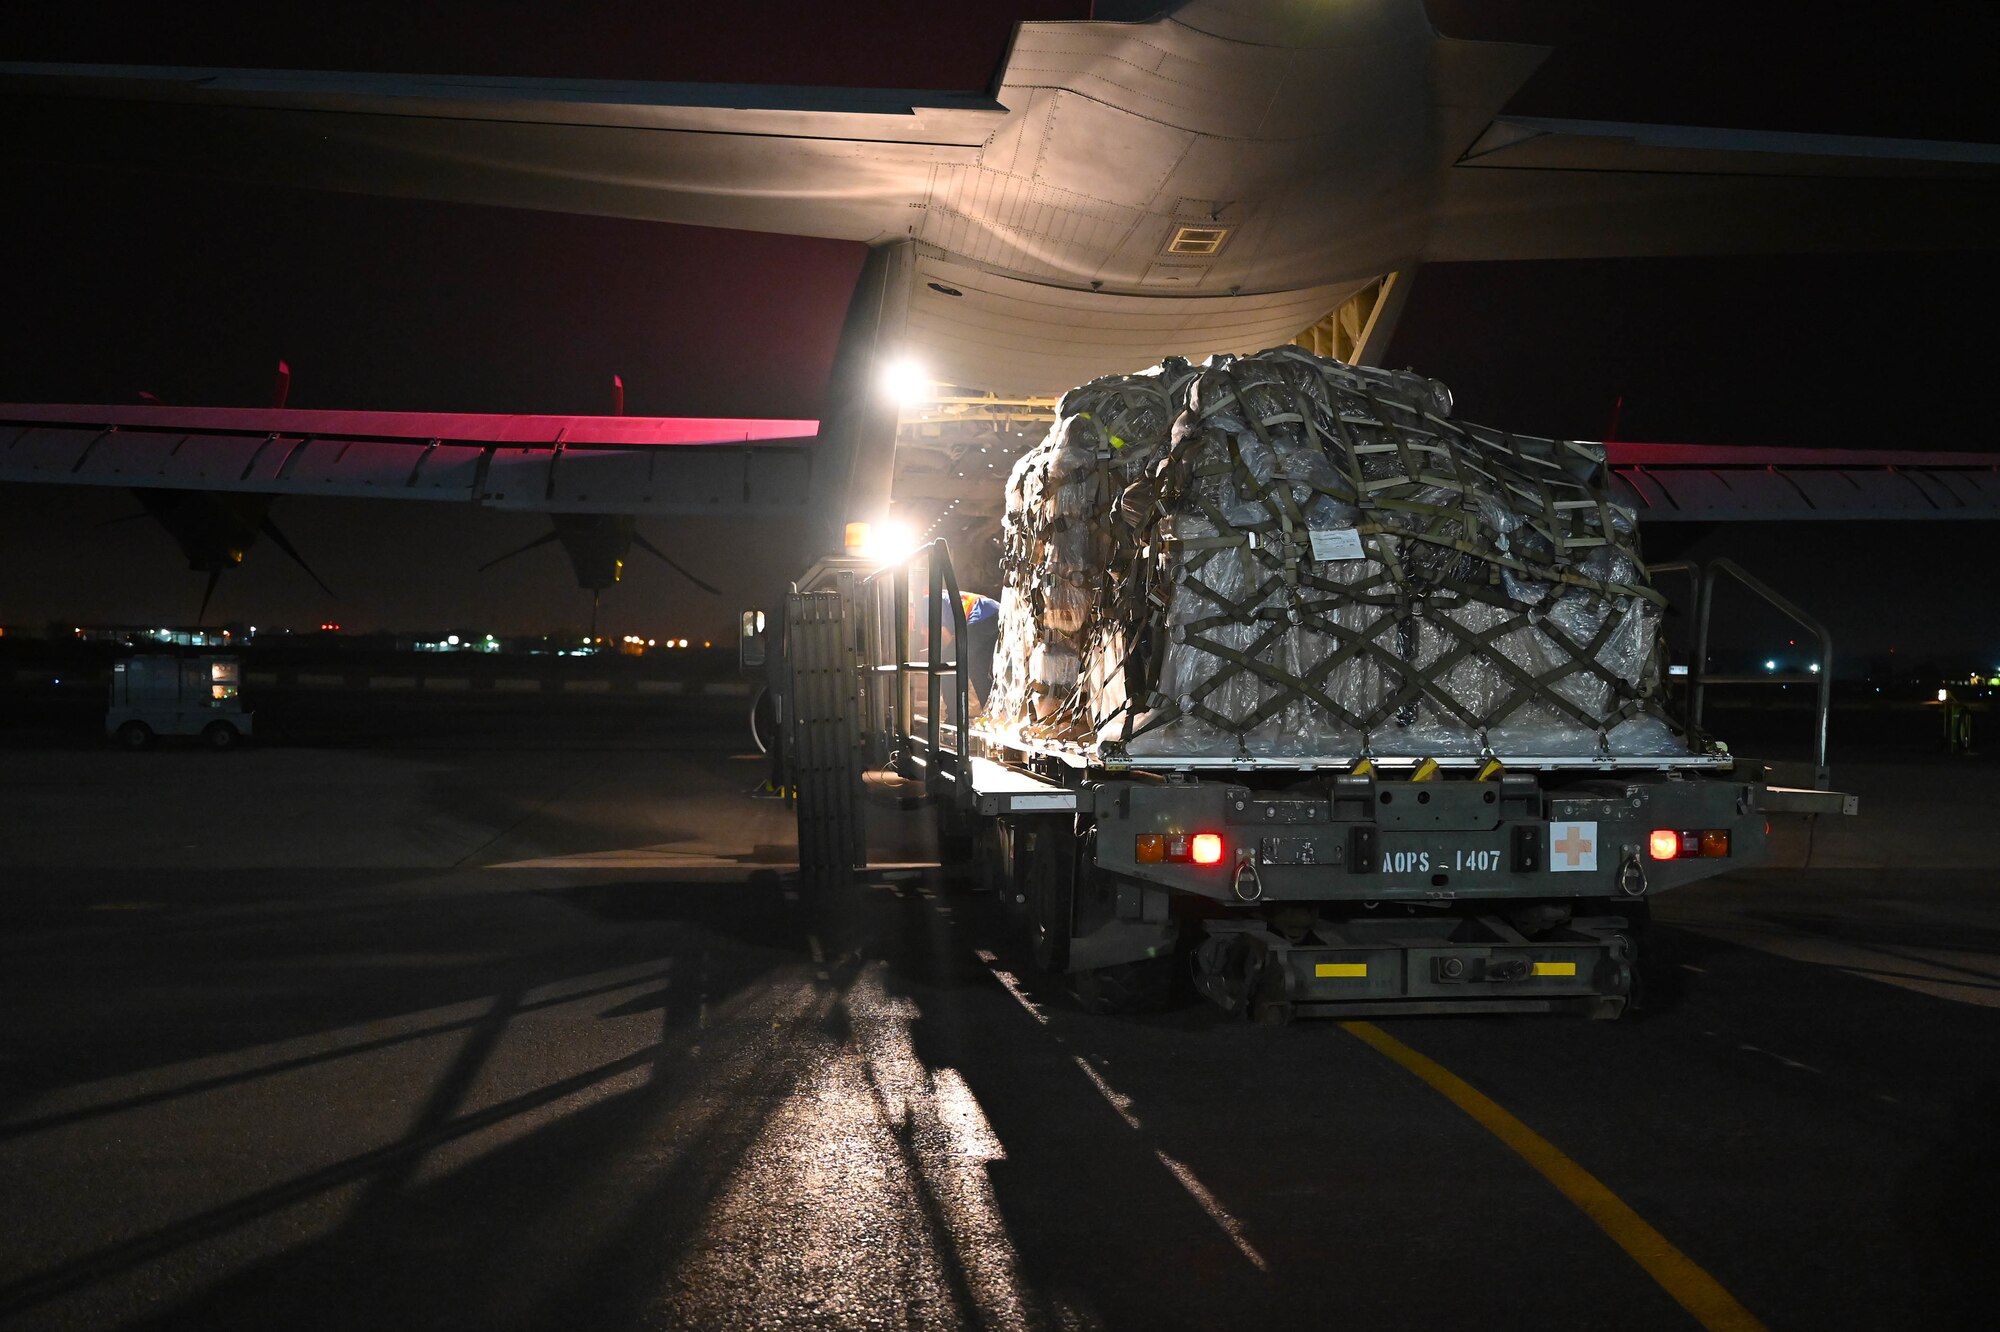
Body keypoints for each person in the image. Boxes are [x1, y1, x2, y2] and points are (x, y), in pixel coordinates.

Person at [959, 590, 1001, 712]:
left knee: (967, 665)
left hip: (981, 617)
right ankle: (992, 710)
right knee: (982, 669)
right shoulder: (937, 596)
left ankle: (954, 716)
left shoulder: (925, 603)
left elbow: (945, 636)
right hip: (994, 611)